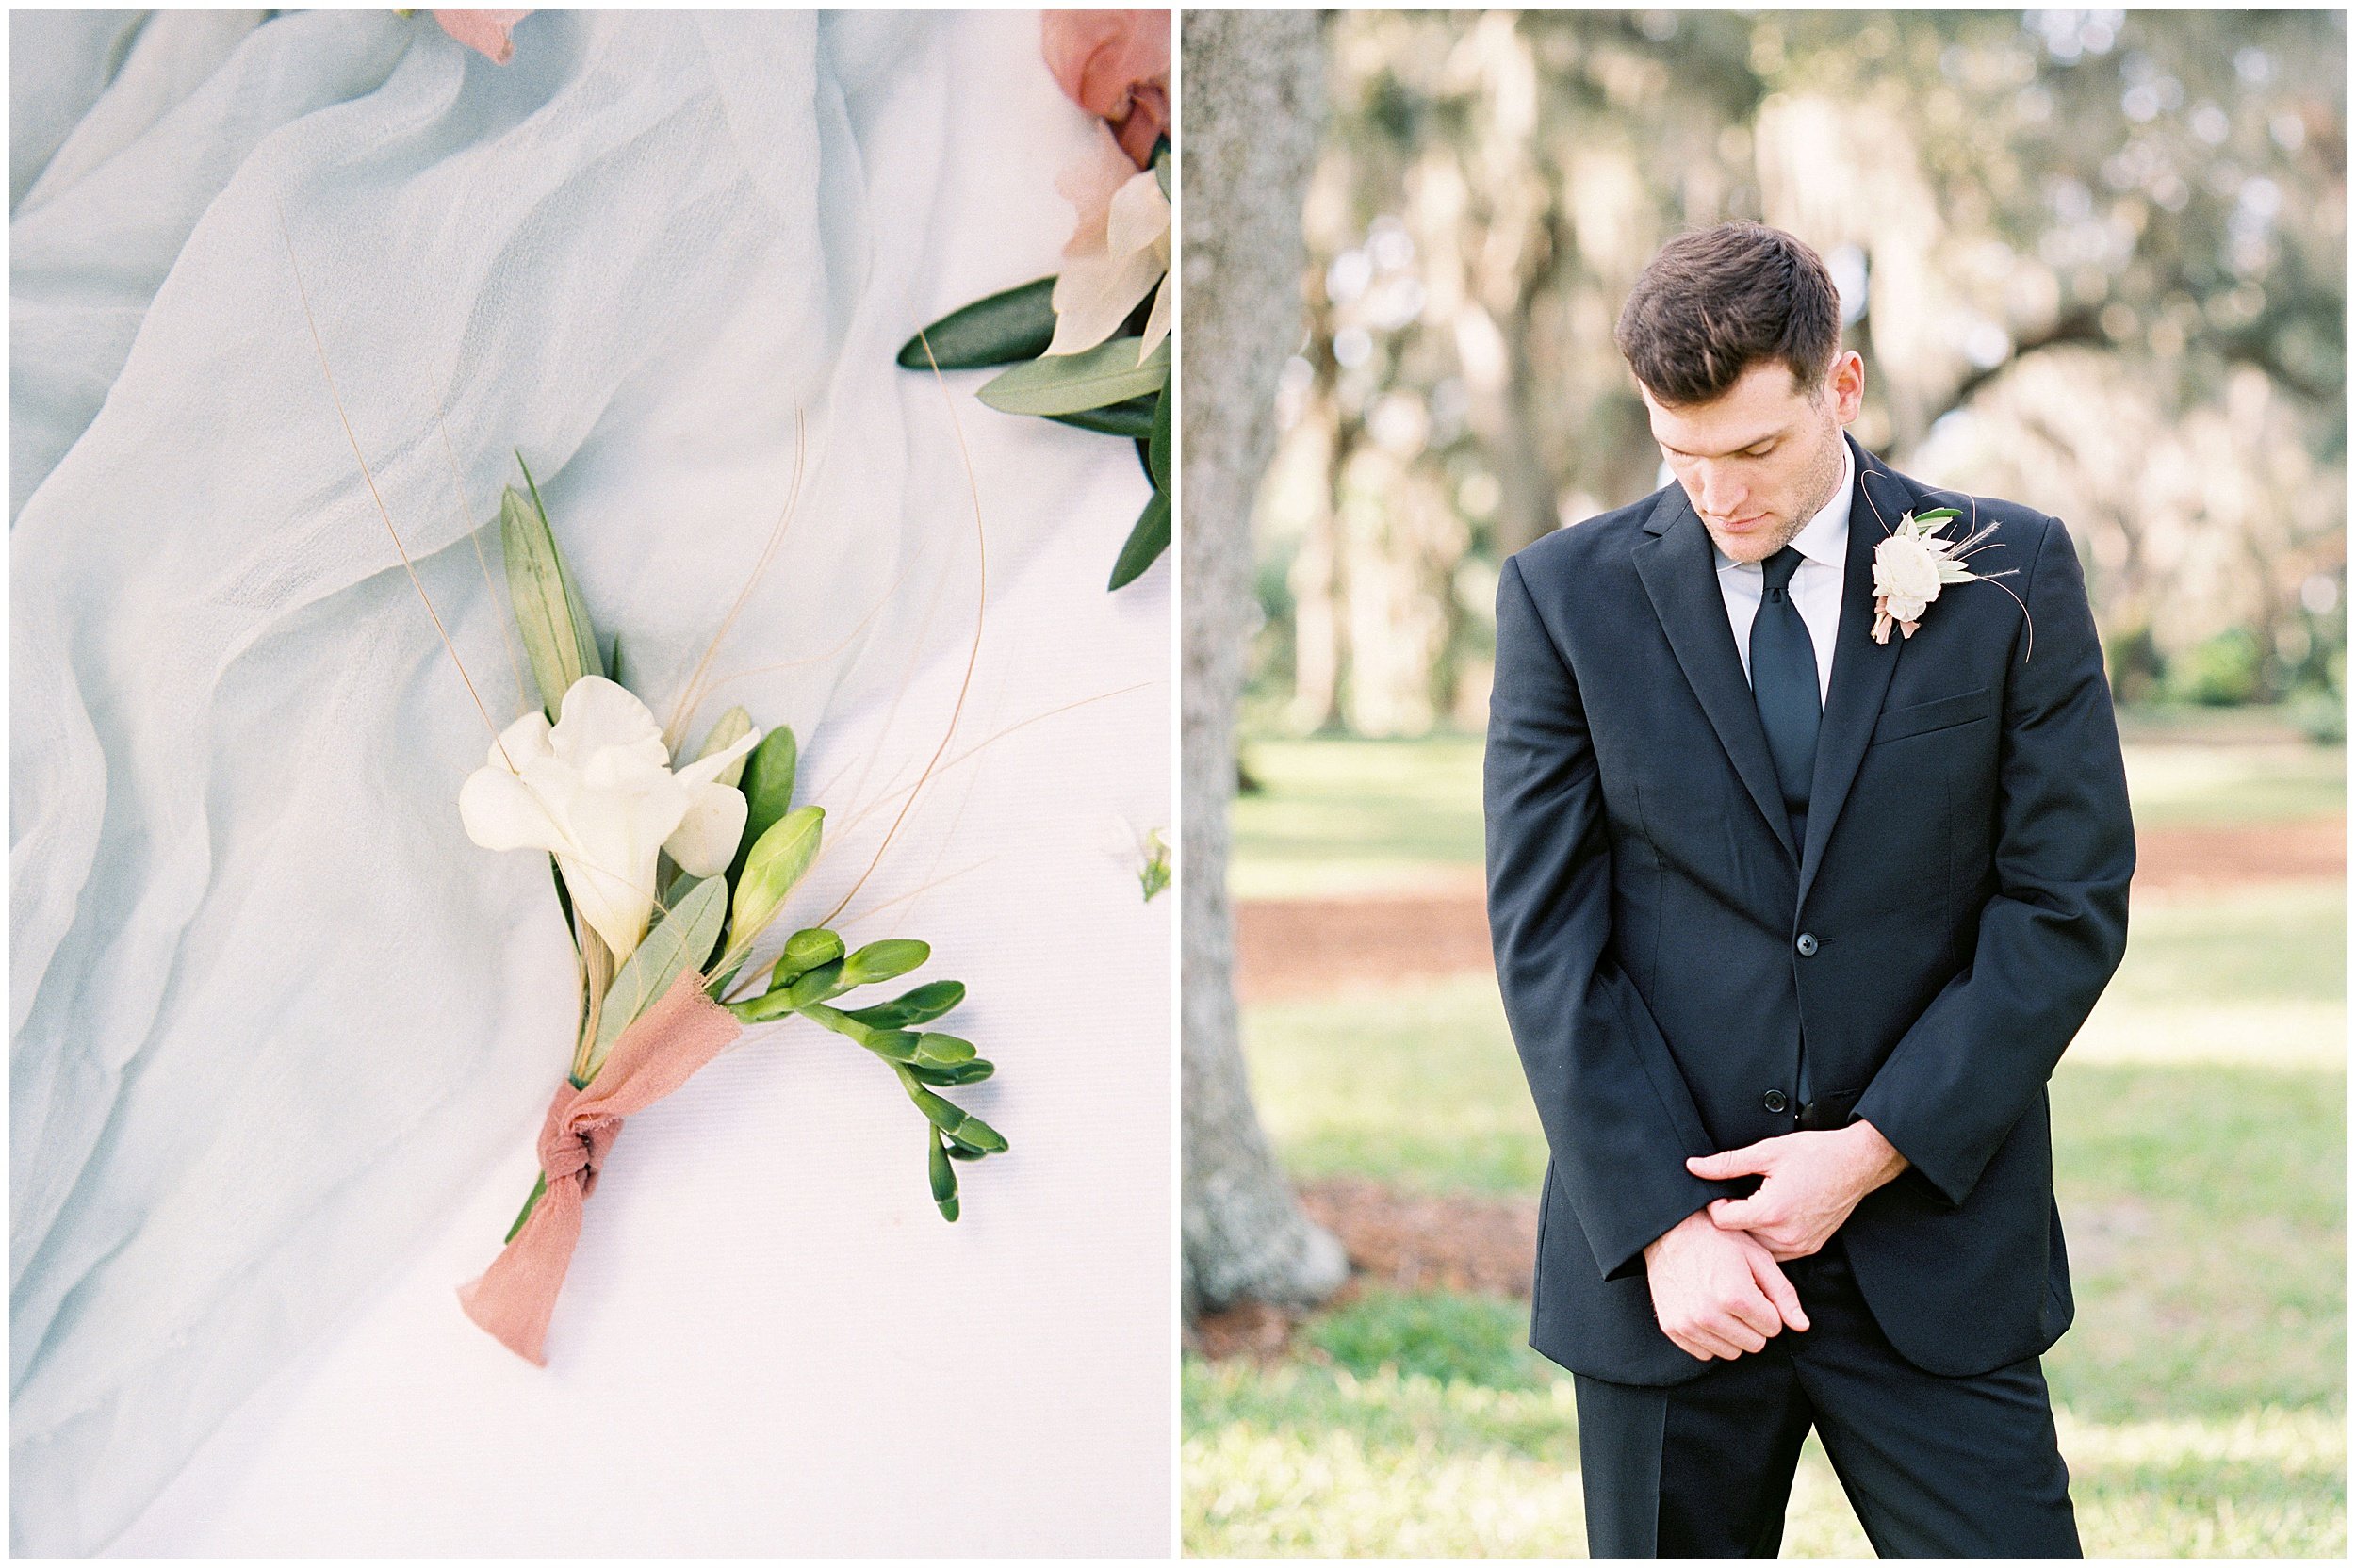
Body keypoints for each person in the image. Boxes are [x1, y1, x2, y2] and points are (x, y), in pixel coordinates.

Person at [1482, 220, 2135, 1557]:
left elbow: (2064, 903)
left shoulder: (2012, 571)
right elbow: (1548, 940)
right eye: (1681, 454)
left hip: (1934, 1244)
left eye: (1756, 451)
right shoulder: (1562, 600)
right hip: (1680, 1273)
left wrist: (1871, 1151)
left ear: (1840, 388)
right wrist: (1667, 1228)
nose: (1719, 496)